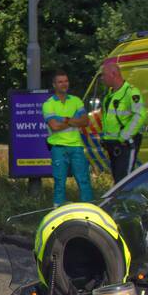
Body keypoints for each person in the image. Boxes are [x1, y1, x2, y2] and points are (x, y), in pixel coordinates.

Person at [42, 70, 94, 207]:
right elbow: (54, 127)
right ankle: (58, 211)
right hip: (58, 147)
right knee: (59, 182)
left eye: (66, 81)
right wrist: (73, 120)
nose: (64, 84)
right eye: (60, 82)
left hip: (76, 146)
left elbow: (85, 122)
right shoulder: (48, 104)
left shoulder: (76, 101)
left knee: (83, 180)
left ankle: (88, 210)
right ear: (54, 85)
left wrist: (65, 120)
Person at [99, 61, 147, 183]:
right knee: (118, 181)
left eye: (104, 75)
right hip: (113, 144)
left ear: (113, 74)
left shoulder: (130, 92)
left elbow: (140, 115)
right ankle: (120, 202)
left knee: (124, 181)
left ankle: (128, 202)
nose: (102, 78)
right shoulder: (110, 95)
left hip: (125, 144)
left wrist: (124, 136)